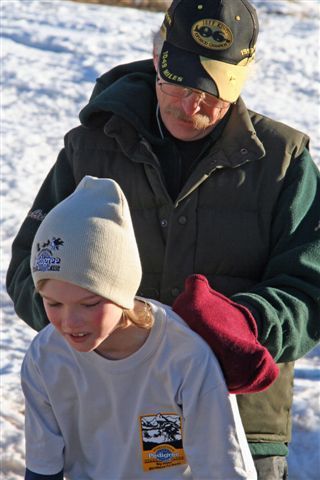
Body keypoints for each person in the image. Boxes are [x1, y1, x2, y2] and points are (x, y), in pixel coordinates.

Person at [6, 0, 320, 478]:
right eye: (177, 83)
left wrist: (247, 324)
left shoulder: (282, 163)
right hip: (113, 408)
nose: (190, 104)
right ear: (157, 59)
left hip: (239, 415)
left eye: (212, 91)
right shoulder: (92, 147)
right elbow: (34, 266)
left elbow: (309, 286)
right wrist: (94, 320)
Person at [22, 175, 257, 479]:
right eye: (53, 304)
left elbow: (224, 469)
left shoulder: (184, 356)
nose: (69, 322)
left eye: (90, 304)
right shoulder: (46, 358)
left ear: (120, 290)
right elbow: (43, 468)